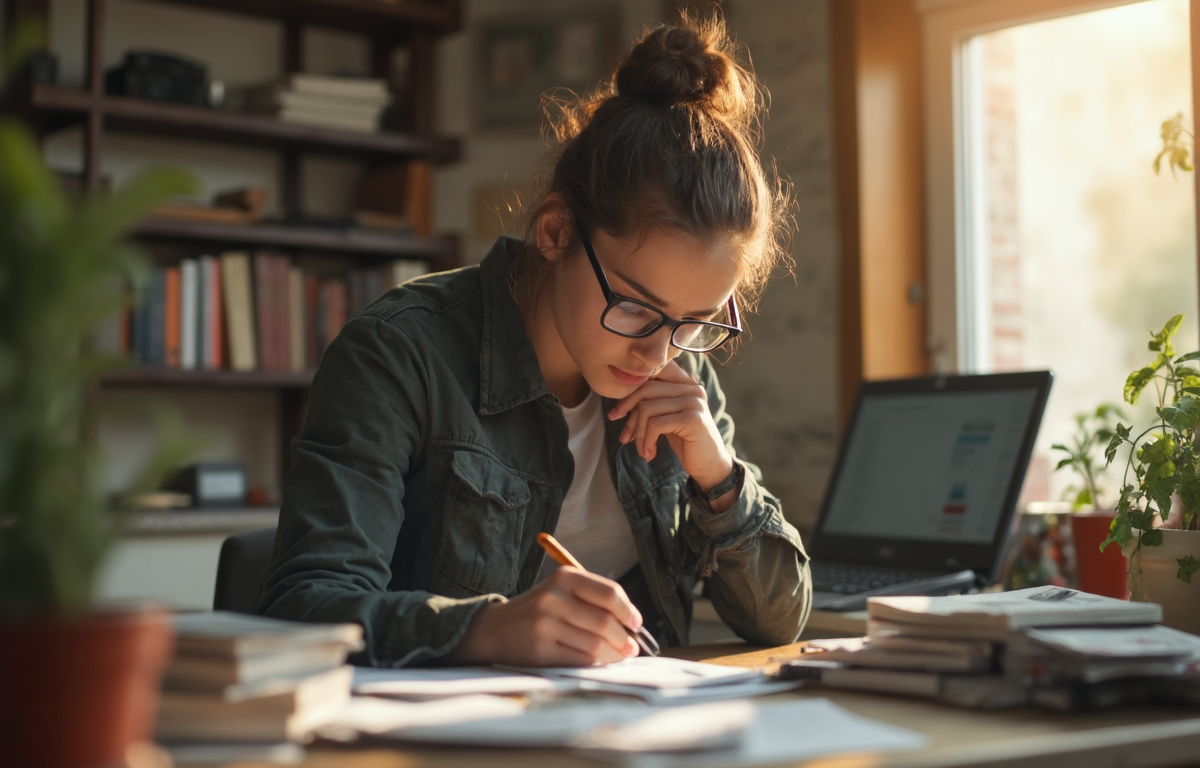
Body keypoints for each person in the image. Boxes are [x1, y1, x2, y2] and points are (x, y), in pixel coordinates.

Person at [256, 14, 812, 668]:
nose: (658, 354)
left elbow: (780, 620)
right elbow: (302, 609)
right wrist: (486, 630)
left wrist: (718, 480)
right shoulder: (399, 354)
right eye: (636, 308)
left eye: (695, 321)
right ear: (555, 233)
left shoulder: (681, 374)